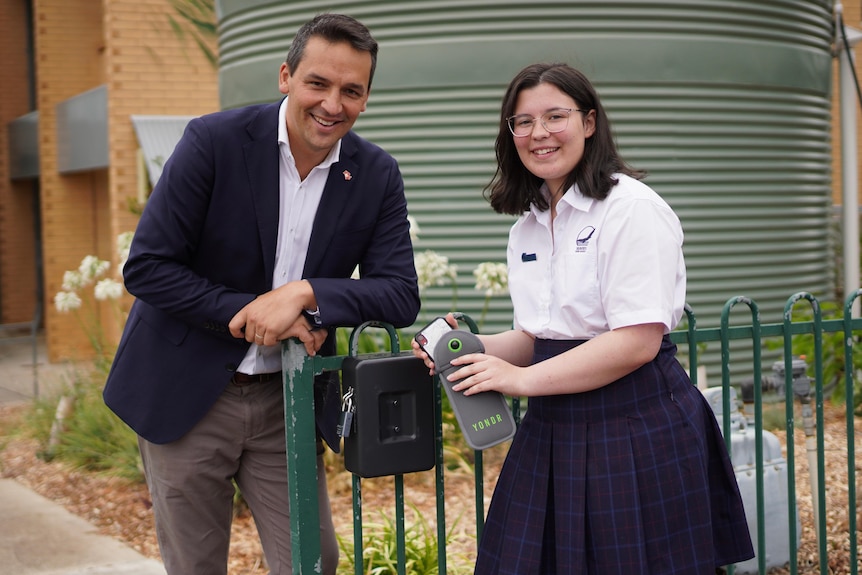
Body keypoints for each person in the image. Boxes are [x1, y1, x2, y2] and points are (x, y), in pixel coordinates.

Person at [103, 13, 420, 575]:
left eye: (352, 91)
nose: (332, 104)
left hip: (288, 399)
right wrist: (248, 312)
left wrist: (305, 293)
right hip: (186, 393)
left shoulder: (375, 174)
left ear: (366, 99)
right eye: (318, 83)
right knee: (196, 565)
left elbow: (399, 294)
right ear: (286, 77)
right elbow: (148, 267)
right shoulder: (213, 141)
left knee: (313, 562)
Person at [413, 63, 754, 574]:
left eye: (556, 116)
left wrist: (520, 381)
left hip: (636, 424)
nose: (539, 134)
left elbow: (636, 341)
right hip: (554, 426)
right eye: (523, 122)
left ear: (589, 123)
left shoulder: (631, 209)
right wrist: (468, 349)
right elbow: (538, 336)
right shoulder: (526, 228)